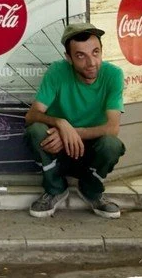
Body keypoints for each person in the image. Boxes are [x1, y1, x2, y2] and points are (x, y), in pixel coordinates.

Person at [25, 22, 126, 219]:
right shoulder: (57, 71)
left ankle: (91, 190)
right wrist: (62, 124)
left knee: (111, 144)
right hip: (58, 151)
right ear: (69, 58)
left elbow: (112, 128)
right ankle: (55, 188)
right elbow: (31, 116)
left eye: (96, 52)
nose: (91, 62)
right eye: (81, 55)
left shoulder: (113, 75)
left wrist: (72, 133)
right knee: (36, 130)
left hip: (91, 151)